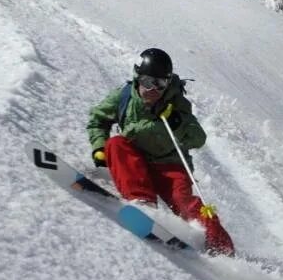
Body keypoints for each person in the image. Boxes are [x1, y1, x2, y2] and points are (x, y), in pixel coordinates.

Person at [87, 47, 235, 256]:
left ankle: (222, 248)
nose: (153, 89)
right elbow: (97, 119)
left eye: (160, 84)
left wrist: (176, 120)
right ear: (137, 79)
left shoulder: (176, 104)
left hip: (169, 166)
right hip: (135, 162)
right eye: (148, 82)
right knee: (117, 144)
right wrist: (99, 148)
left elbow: (198, 139)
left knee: (186, 203)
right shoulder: (124, 97)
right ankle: (143, 205)